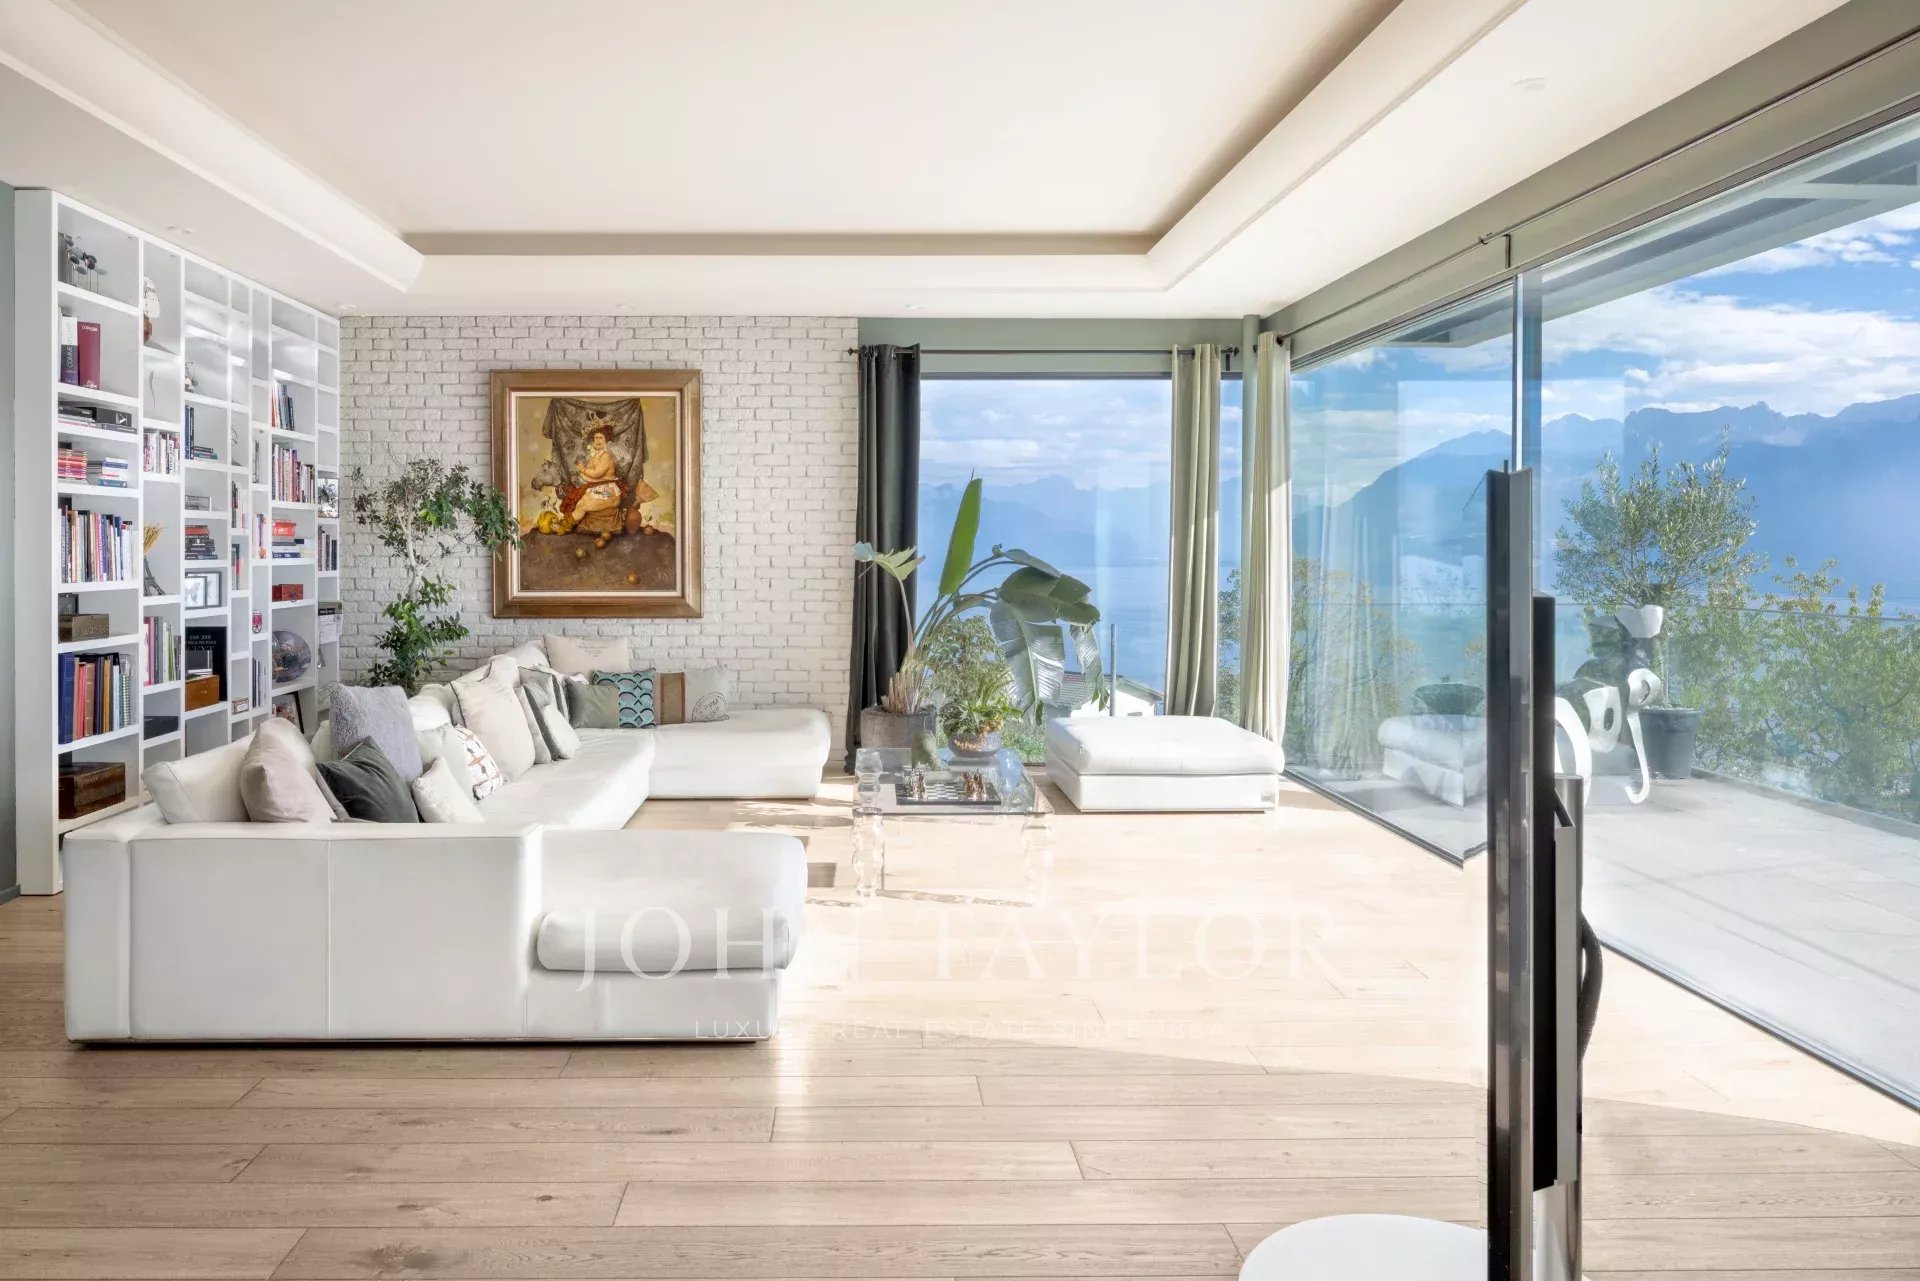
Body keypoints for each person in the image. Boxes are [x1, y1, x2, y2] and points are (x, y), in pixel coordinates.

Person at [564, 426, 625, 524]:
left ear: (606, 441)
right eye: (596, 438)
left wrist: (583, 469)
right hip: (600, 490)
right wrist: (580, 472)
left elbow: (596, 473)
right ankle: (566, 524)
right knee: (580, 503)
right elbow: (589, 479)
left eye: (601, 438)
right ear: (592, 441)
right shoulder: (595, 456)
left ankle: (566, 525)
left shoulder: (606, 456)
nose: (598, 440)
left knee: (583, 506)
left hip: (609, 493)